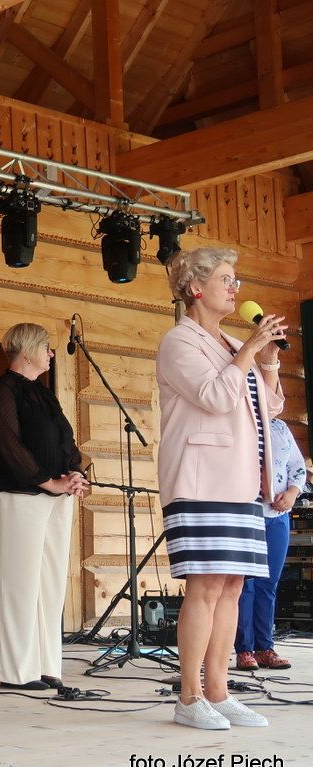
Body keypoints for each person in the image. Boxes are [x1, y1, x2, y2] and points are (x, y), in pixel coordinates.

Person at [157, 246, 285, 730]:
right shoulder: (179, 342)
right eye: (226, 280)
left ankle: (219, 691)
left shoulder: (233, 343)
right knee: (207, 585)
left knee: (232, 586)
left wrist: (267, 362)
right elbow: (214, 396)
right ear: (195, 288)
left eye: (236, 281)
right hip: (201, 480)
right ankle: (189, 697)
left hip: (242, 483)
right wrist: (249, 350)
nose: (235, 289)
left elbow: (269, 407)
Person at [0, 322, 88, 692]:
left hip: (56, 496)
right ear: (28, 350)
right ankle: (17, 671)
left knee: (50, 583)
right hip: (17, 495)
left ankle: (46, 665)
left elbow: (65, 439)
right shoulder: (3, 390)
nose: (52, 353)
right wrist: (48, 481)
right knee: (19, 583)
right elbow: (7, 444)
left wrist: (74, 473)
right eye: (46, 346)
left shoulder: (43, 393)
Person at [235, 418, 305, 671]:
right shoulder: (239, 420)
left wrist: (292, 493)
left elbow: (297, 466)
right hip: (245, 513)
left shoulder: (280, 427)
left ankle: (265, 648)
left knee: (269, 584)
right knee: (246, 584)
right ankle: (244, 649)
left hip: (277, 516)